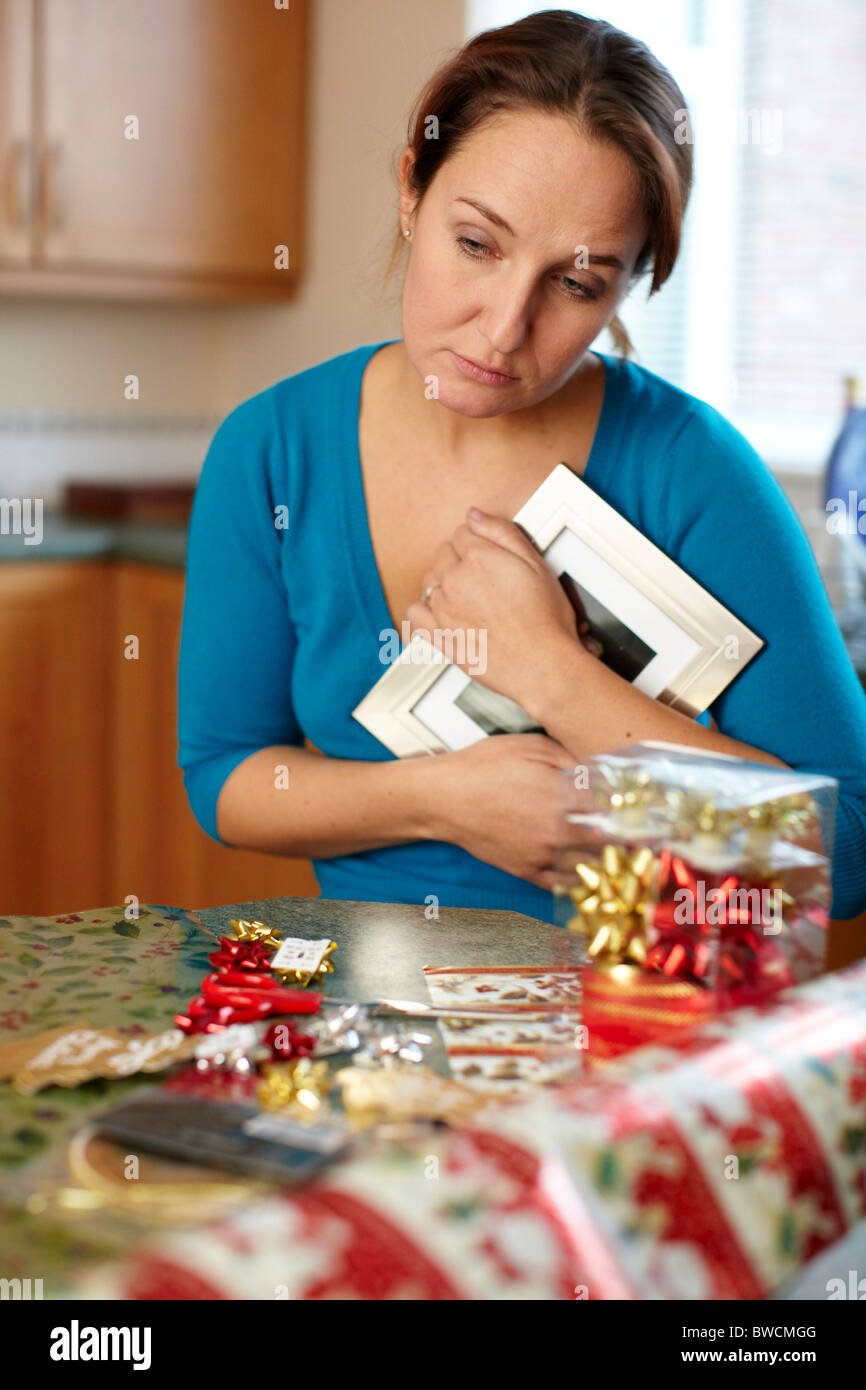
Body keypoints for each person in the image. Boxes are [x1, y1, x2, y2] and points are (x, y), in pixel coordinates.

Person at [178, 10, 866, 924]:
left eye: (576, 284)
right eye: (477, 245)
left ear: (628, 287)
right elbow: (225, 774)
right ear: (411, 190)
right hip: (376, 1026)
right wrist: (446, 799)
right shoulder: (272, 451)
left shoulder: (692, 472)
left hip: (632, 1016)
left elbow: (848, 849)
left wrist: (551, 672)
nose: (505, 331)